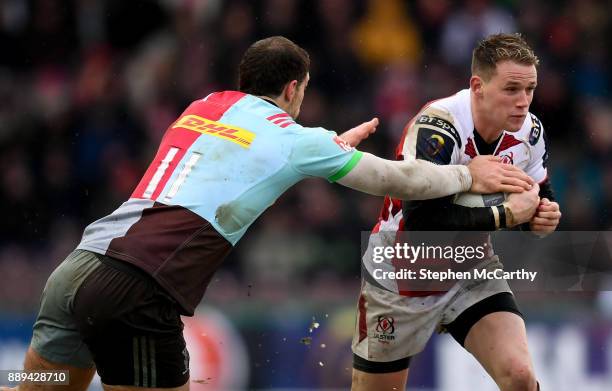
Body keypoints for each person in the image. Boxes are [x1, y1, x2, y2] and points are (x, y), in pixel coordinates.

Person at [3, 36, 533, 391]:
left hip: (78, 268)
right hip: (138, 289)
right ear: (294, 88)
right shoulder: (294, 140)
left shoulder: (205, 105)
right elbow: (400, 179)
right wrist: (469, 175)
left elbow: (239, 165)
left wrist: (320, 149)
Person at [351, 33, 561, 391]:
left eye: (530, 89)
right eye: (511, 89)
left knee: (520, 377)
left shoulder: (530, 132)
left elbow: (538, 193)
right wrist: (507, 216)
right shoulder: (437, 128)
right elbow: (421, 223)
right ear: (477, 86)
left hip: (471, 267)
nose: (523, 102)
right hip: (402, 276)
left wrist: (543, 214)